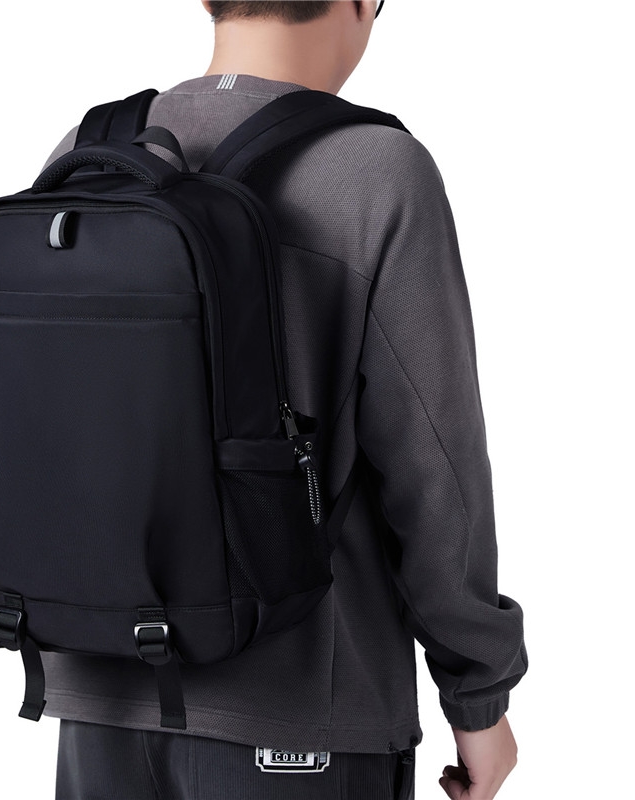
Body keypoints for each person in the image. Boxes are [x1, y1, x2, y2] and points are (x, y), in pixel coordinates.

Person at [41, 2, 527, 798]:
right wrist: (479, 695)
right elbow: (436, 470)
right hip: (301, 715)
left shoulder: (88, 154)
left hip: (98, 703)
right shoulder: (375, 170)